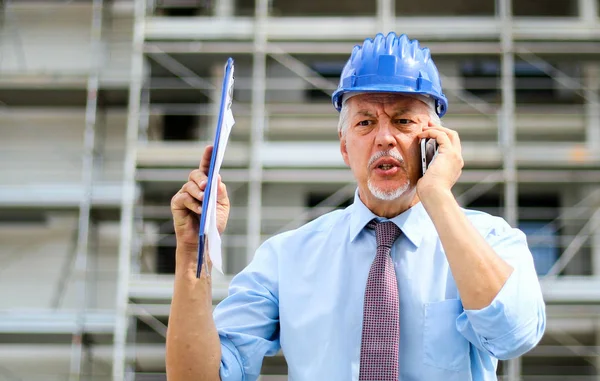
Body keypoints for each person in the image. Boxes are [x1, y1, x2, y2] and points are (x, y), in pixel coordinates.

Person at [166, 32, 546, 381]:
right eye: (365, 122)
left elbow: (514, 335)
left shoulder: (491, 239)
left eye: (403, 120)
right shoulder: (286, 258)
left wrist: (438, 195)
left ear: (436, 141)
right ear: (345, 147)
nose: (384, 138)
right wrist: (190, 257)